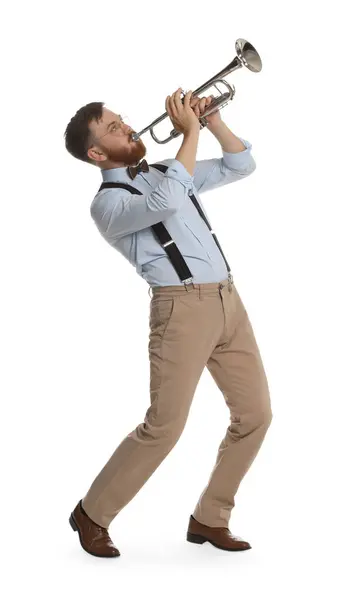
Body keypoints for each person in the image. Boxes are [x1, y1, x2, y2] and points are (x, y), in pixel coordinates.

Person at [64, 88, 273, 558]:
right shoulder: (108, 205)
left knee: (256, 414)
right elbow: (164, 203)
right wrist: (191, 134)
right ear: (97, 153)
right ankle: (91, 513)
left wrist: (213, 122)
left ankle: (209, 517)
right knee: (164, 427)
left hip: (228, 300)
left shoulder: (165, 170)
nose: (129, 127)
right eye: (114, 128)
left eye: (122, 119)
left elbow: (242, 166)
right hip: (180, 311)